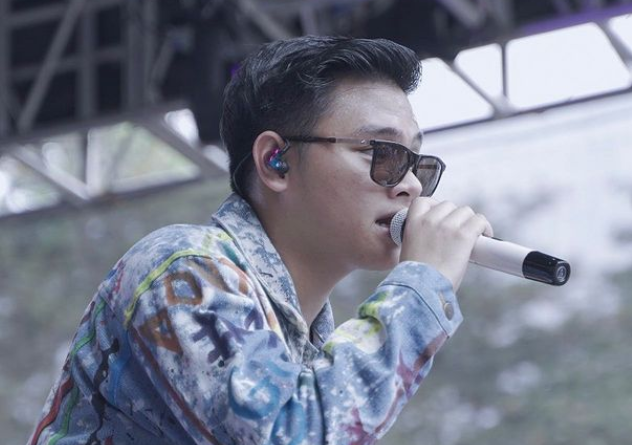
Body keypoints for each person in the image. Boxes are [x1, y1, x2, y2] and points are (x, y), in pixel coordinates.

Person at [28, 36, 493, 445]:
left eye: (416, 162)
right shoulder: (182, 269)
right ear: (275, 161)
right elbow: (292, 434)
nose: (409, 184)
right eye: (381, 153)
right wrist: (422, 285)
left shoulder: (307, 347)